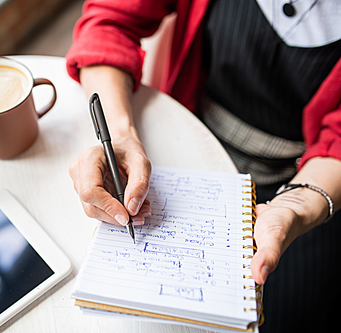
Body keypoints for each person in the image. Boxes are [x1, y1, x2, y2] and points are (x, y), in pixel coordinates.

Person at [65, 0, 341, 332]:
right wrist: (122, 135)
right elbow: (109, 22)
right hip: (182, 135)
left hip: (306, 179)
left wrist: (296, 207)